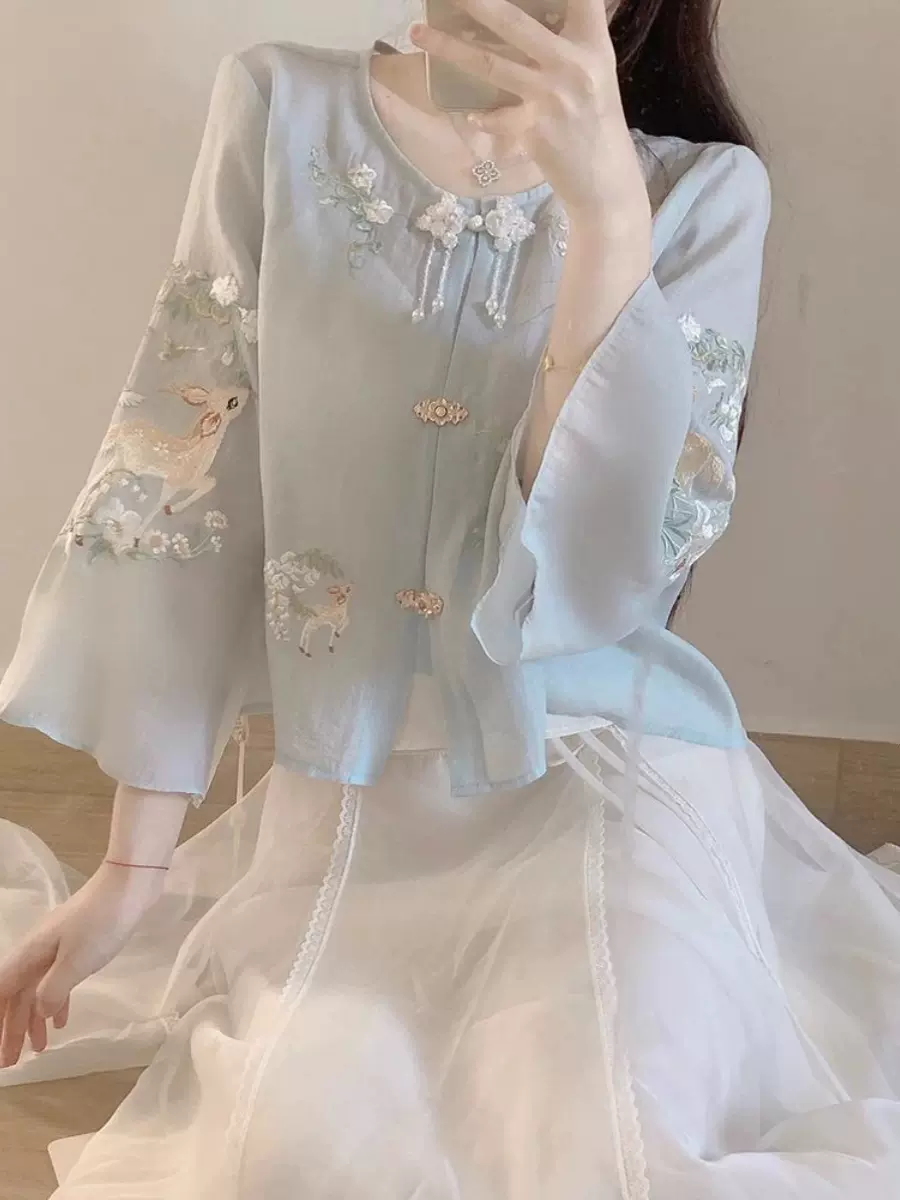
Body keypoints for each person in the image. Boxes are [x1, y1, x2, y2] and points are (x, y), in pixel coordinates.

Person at [1, 0, 899, 1195]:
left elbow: (620, 570)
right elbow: (181, 485)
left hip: (605, 769)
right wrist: (132, 870)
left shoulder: (705, 192)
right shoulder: (278, 107)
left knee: (606, 1141)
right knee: (291, 1154)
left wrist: (605, 213)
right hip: (356, 797)